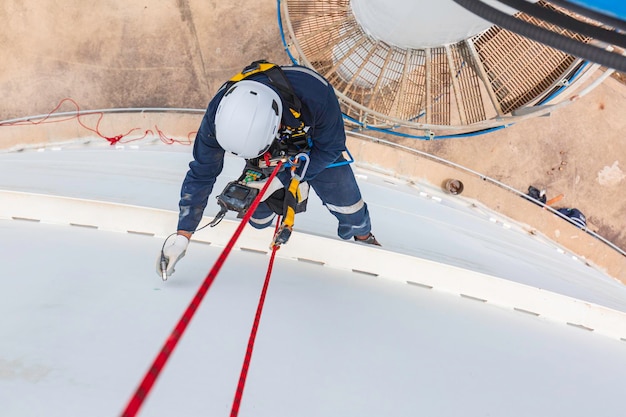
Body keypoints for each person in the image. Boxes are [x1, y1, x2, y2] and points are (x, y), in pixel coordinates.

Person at [157, 61, 379, 278]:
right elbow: (202, 173)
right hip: (265, 151)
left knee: (348, 203)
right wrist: (182, 235)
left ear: (277, 123)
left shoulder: (315, 93)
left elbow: (331, 147)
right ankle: (263, 215)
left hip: (316, 147)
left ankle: (363, 235)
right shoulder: (220, 114)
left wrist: (283, 179)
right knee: (258, 217)